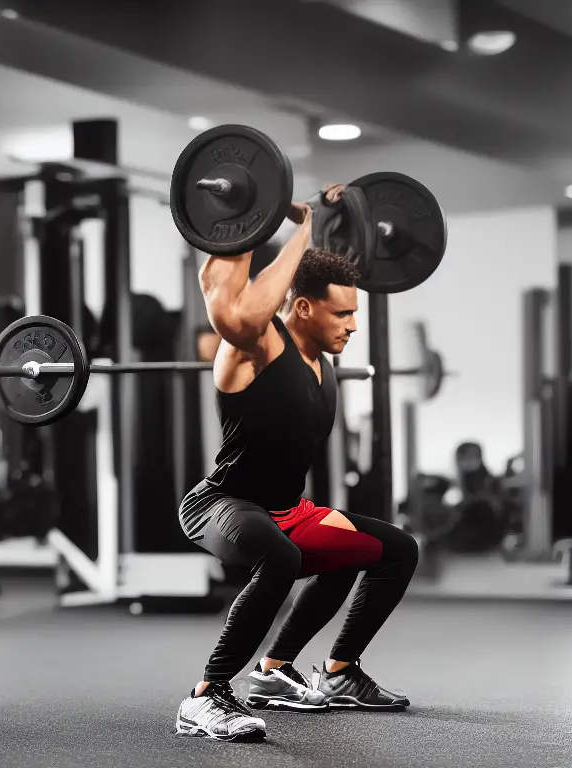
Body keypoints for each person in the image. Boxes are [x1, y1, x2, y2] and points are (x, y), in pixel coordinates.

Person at [174, 188, 419, 742]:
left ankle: (311, 672)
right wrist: (280, 221)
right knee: (280, 558)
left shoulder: (320, 357)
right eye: (343, 313)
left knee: (394, 550)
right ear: (303, 307)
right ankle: (206, 695)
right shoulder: (256, 344)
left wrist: (327, 214)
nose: (353, 326)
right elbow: (228, 300)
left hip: (290, 510)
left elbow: (320, 264)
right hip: (222, 505)